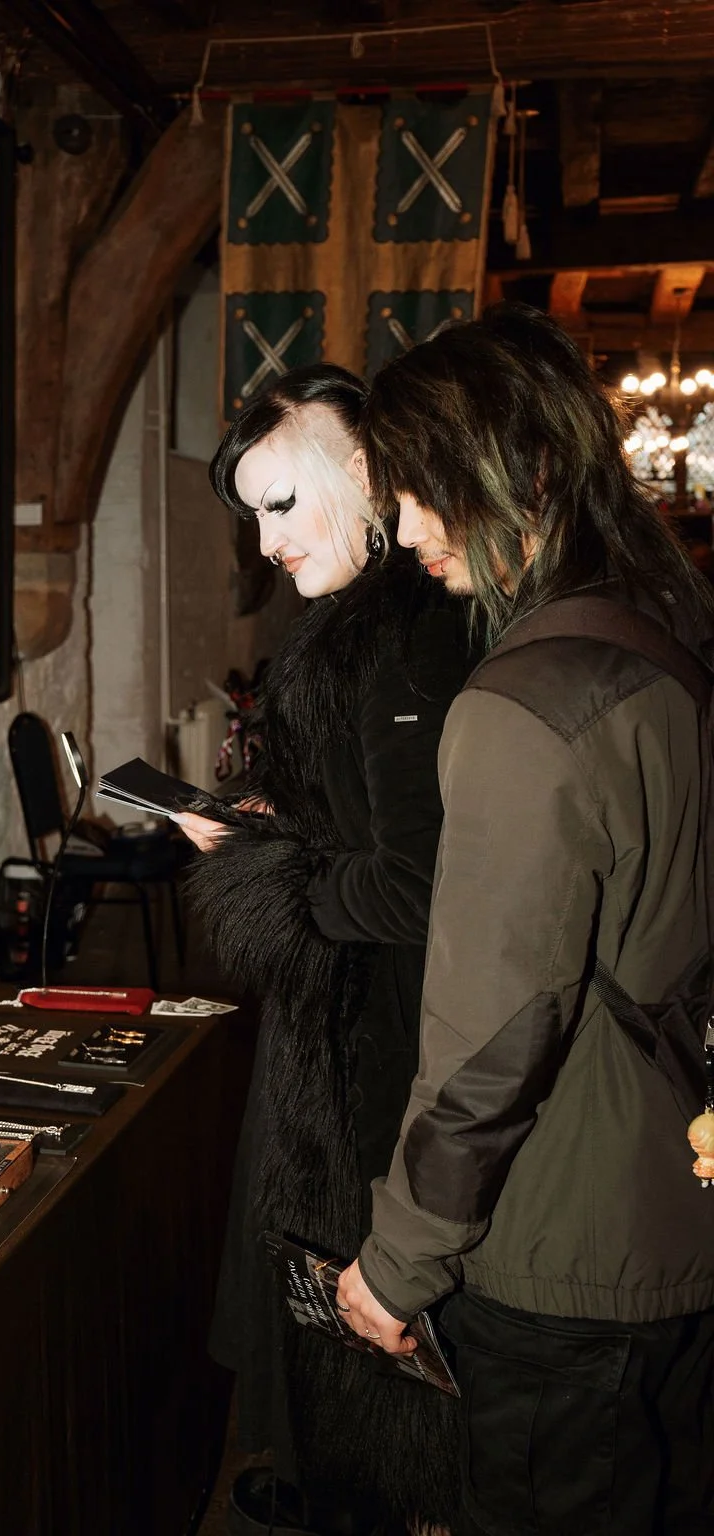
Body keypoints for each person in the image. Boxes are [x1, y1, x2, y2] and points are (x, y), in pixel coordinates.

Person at [335, 303, 714, 1535]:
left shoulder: (520, 703)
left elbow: (492, 1038)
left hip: (561, 1247)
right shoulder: (663, 642)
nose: (407, 529)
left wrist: (397, 1260)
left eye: (423, 490)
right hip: (668, 1210)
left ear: (529, 470)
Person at [177, 364, 474, 1535]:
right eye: (253, 516)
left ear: (361, 470)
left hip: (387, 1047)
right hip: (346, 1027)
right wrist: (269, 825)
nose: (266, 542)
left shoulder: (403, 636)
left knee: (377, 1357)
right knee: (332, 1339)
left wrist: (258, 867)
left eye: (282, 504)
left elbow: (420, 883)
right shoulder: (360, 628)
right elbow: (362, 827)